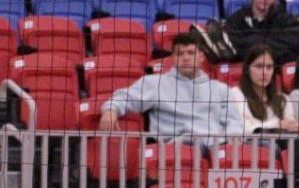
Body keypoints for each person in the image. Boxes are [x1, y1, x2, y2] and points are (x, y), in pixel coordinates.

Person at [99, 33, 243, 142]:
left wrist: (233, 146)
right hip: (176, 149)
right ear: (173, 58)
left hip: (215, 150)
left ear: (201, 57)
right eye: (180, 53)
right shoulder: (154, 83)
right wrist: (110, 108)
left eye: (191, 53)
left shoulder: (221, 89)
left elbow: (234, 123)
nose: (185, 58)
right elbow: (125, 97)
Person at [218, 0, 299, 64]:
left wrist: (253, 41)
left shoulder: (286, 19)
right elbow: (231, 46)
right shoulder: (237, 18)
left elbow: (294, 45)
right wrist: (268, 43)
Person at [230, 45, 299, 135]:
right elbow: (241, 128)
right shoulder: (235, 94)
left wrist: (294, 126)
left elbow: (290, 128)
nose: (264, 72)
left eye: (269, 67)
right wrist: (276, 124)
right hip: (250, 145)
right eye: (259, 66)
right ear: (247, 69)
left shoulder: (283, 99)